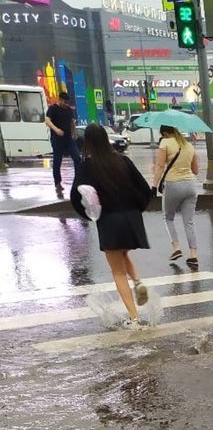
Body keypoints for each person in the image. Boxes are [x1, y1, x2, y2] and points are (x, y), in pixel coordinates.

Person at [70, 124, 152, 330]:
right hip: (132, 217)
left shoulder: (87, 165)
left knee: (117, 271)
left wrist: (89, 216)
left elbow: (75, 195)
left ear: (88, 142)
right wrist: (137, 209)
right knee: (123, 255)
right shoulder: (123, 160)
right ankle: (139, 282)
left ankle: (134, 318)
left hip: (109, 220)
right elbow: (144, 187)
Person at [153, 125, 199, 266]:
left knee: (168, 217)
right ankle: (193, 254)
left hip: (173, 184)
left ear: (165, 133)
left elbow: (160, 166)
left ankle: (176, 247)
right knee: (189, 221)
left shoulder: (165, 143)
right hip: (191, 185)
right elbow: (195, 170)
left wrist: (154, 185)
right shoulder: (189, 145)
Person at [45, 92, 81, 192]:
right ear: (59, 99)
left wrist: (74, 133)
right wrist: (56, 130)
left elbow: (71, 122)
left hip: (68, 138)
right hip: (57, 139)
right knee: (57, 160)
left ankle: (78, 180)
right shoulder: (53, 109)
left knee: (77, 157)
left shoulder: (69, 110)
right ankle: (57, 182)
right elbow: (47, 120)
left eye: (67, 102)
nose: (66, 104)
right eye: (64, 102)